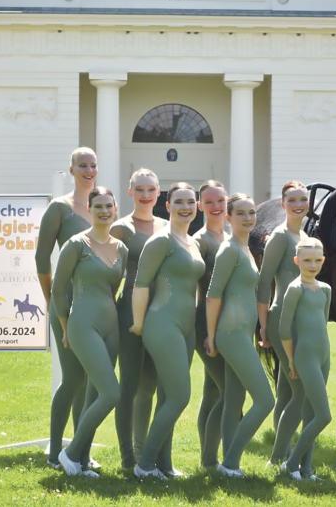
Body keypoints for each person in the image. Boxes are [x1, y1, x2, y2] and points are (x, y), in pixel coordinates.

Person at [130, 183, 207, 479]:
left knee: (167, 396)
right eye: (179, 202)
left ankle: (165, 464)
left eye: (190, 202)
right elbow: (141, 284)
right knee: (179, 396)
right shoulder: (160, 241)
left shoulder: (191, 242)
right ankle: (145, 464)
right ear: (168, 206)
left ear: (197, 206)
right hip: (162, 324)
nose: (186, 207)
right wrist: (138, 323)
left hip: (185, 328)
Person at [52, 187, 128, 477]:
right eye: (98, 206)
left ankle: (82, 459)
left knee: (94, 394)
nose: (104, 211)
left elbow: (112, 289)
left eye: (109, 206)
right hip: (82, 324)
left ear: (116, 209)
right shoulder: (76, 244)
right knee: (112, 393)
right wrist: (65, 328)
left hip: (111, 327)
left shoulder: (121, 248)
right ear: (90, 209)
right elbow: (59, 290)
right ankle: (69, 454)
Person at [35, 146, 96, 468]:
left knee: (88, 380)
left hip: (95, 304)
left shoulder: (101, 206)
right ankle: (55, 450)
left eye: (92, 165)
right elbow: (41, 258)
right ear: (71, 170)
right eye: (82, 165)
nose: (88, 170)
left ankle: (80, 450)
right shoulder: (59, 209)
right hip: (66, 304)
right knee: (73, 378)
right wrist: (51, 299)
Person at [205, 193, 273, 478]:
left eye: (251, 213)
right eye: (241, 213)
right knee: (265, 400)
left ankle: (221, 464)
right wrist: (211, 336)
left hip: (242, 334)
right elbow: (213, 294)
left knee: (233, 401)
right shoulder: (229, 250)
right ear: (228, 217)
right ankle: (230, 462)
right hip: (230, 335)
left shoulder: (244, 248)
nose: (247, 218)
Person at [111, 168, 167, 470]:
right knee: (129, 386)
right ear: (130, 192)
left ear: (158, 193)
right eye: (140, 189)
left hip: (161, 314)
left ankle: (144, 451)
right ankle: (127, 459)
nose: (146, 195)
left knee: (151, 386)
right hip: (129, 313)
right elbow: (110, 273)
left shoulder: (167, 227)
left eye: (151, 189)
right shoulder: (121, 228)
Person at [258, 180, 309, 462]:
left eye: (303, 199)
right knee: (297, 388)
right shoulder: (280, 236)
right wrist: (264, 325)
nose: (298, 205)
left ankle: (282, 451)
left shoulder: (303, 236)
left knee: (285, 389)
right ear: (283, 204)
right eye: (292, 200)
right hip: (282, 320)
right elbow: (264, 281)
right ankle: (283, 455)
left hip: (301, 319)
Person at [276, 237, 332, 481]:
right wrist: (290, 360)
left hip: (324, 356)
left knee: (311, 415)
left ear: (323, 260)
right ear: (297, 261)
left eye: (317, 260)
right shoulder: (295, 289)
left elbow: (324, 324)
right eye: (307, 260)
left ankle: (306, 470)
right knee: (324, 416)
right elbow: (284, 330)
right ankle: (291, 464)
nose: (312, 265)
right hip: (304, 357)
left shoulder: (326, 289)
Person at [193, 180, 231, 469]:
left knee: (212, 391)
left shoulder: (230, 235)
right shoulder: (201, 240)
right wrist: (210, 333)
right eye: (209, 202)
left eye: (220, 200)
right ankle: (210, 460)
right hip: (207, 324)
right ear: (200, 206)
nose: (216, 207)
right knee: (228, 390)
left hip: (228, 324)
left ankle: (208, 459)